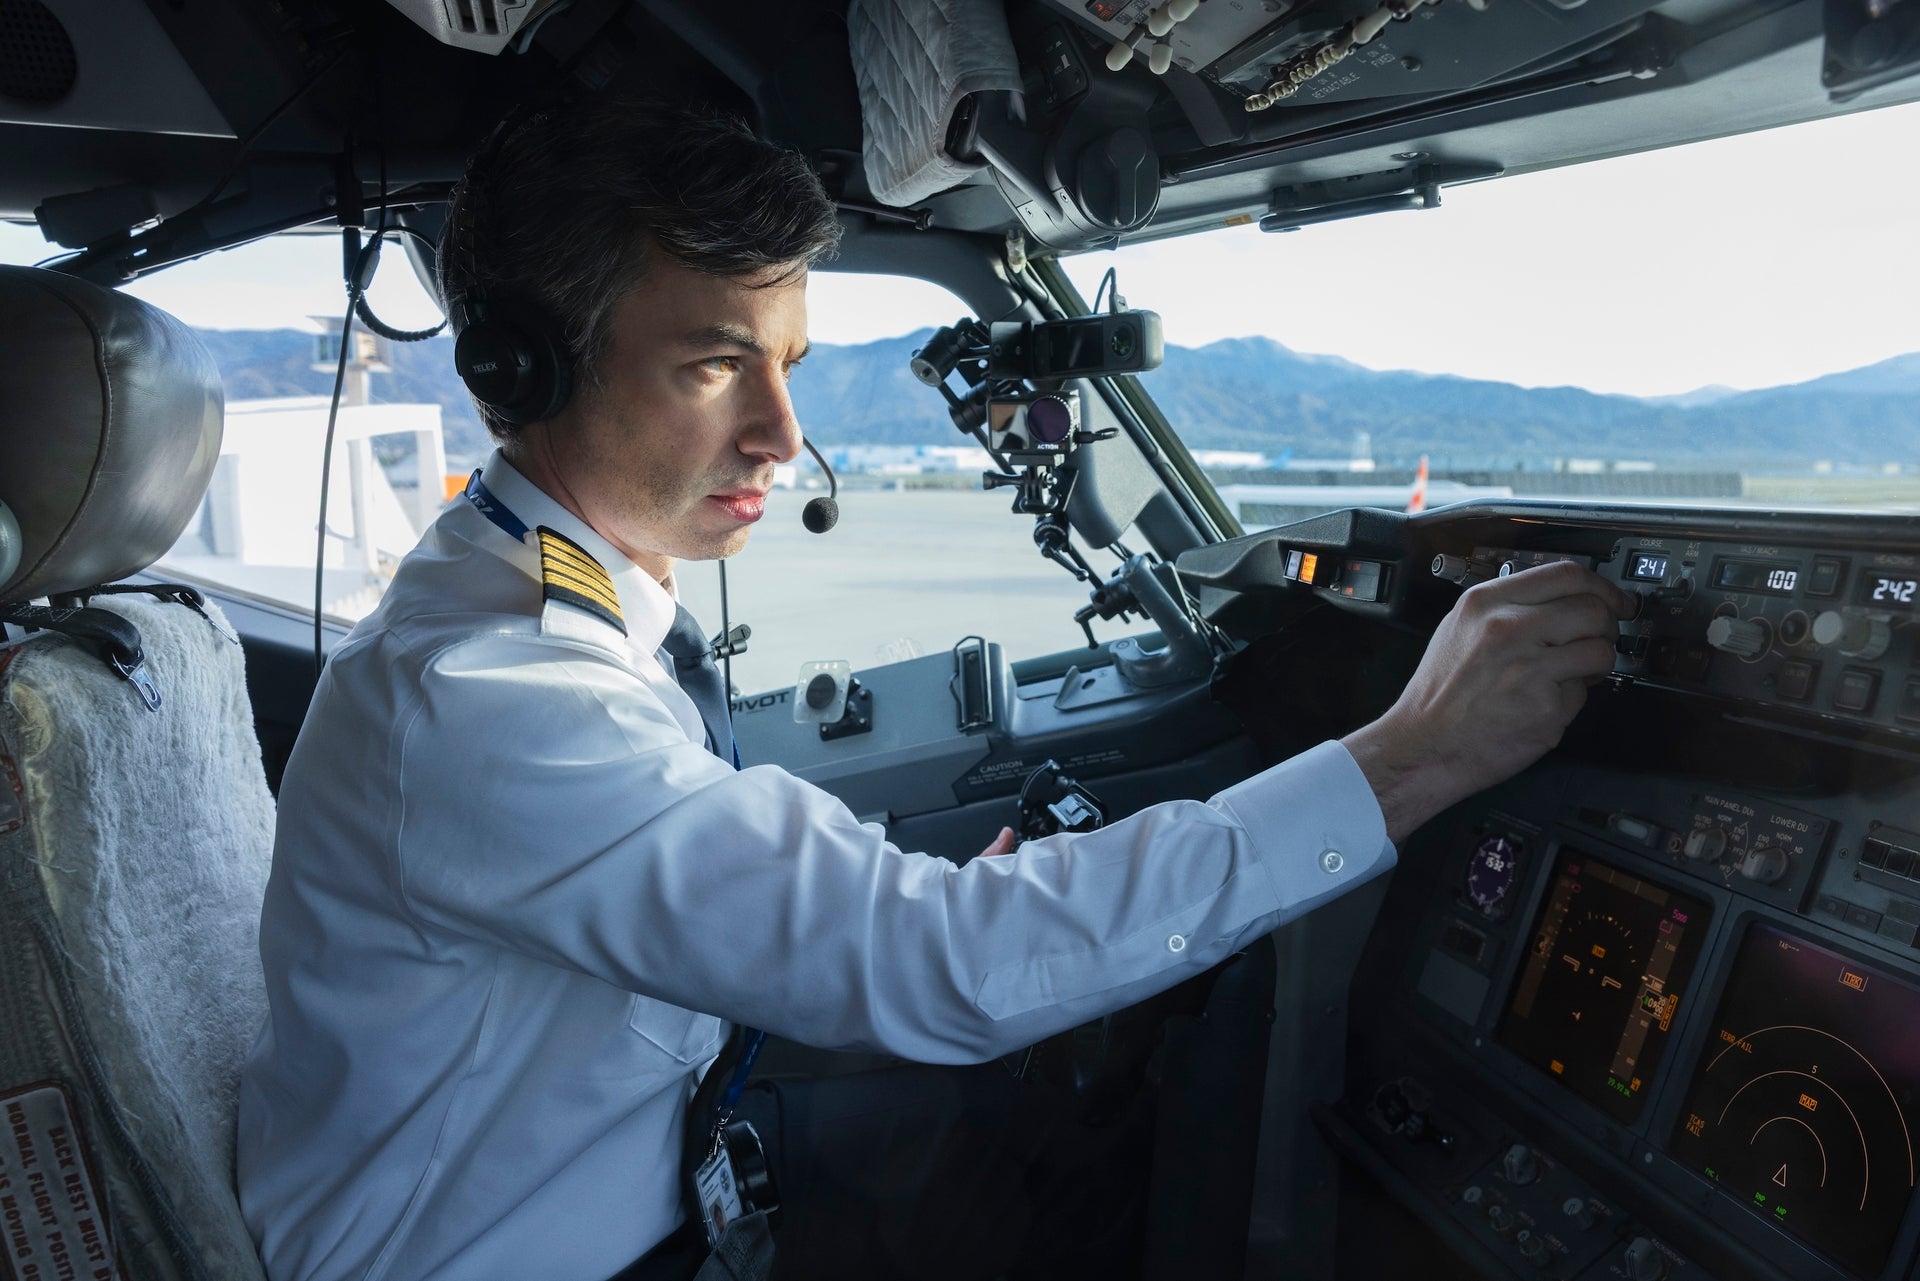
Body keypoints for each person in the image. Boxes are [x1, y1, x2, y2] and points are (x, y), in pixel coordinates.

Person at [235, 93, 1634, 1281]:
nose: (782, 434)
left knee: (1018, 1154)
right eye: (715, 364)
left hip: (608, 1178)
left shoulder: (541, 604)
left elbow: (712, 884)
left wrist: (900, 882)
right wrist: (1415, 758)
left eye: (783, 364)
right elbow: (933, 966)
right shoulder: (493, 692)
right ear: (518, 368)